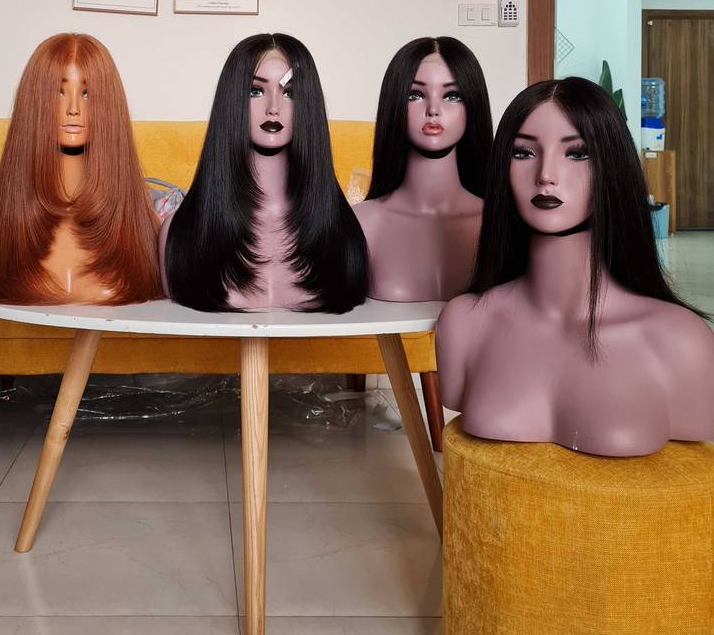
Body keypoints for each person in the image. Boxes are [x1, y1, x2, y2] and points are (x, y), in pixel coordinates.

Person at [436, 77, 714, 456]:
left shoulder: (682, 340)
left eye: (578, 153)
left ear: (612, 167)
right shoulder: (465, 323)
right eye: (523, 153)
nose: (546, 174)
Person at [161, 33, 368, 313]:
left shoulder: (343, 234)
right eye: (255, 91)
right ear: (232, 101)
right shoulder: (182, 235)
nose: (273, 108)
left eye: (289, 92)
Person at [0, 32, 161, 305]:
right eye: (59, 92)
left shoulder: (144, 228)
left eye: (87, 93)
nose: (73, 108)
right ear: (34, 102)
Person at [354, 36, 492, 302]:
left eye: (452, 95)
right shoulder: (361, 223)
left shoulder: (499, 224)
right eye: (415, 95)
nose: (433, 110)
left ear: (473, 106)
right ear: (395, 104)